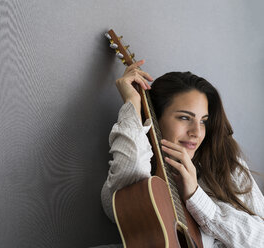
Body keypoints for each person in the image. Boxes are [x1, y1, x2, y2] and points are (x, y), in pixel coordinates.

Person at [101, 60, 264, 247]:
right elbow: (129, 178)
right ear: (155, 118)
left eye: (203, 121)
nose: (196, 132)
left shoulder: (225, 163)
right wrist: (133, 104)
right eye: (184, 118)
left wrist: (195, 195)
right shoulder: (128, 172)